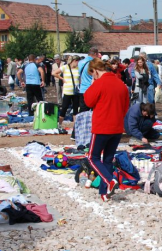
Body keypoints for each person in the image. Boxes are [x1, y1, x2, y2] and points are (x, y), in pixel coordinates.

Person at [83, 58, 130, 202]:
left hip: (102, 126)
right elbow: (125, 106)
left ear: (95, 71)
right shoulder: (120, 84)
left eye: (92, 74)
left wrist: (93, 84)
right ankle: (105, 192)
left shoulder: (100, 83)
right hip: (116, 127)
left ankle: (110, 180)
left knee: (92, 157)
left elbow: (88, 101)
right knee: (108, 159)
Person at [53, 55, 80, 124]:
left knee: (75, 109)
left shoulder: (78, 68)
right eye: (77, 61)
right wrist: (62, 79)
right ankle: (60, 124)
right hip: (67, 92)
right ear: (73, 61)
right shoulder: (65, 67)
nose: (78, 63)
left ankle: (75, 125)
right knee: (64, 108)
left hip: (76, 91)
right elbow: (54, 73)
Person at [77, 47, 99, 111]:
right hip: (91, 89)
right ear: (95, 54)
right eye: (97, 55)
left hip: (82, 89)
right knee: (94, 110)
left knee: (83, 110)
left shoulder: (80, 62)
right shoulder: (93, 63)